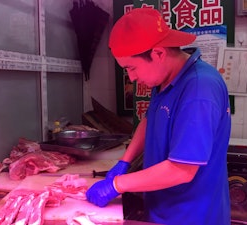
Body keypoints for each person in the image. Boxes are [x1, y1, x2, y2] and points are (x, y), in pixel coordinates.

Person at [86, 8, 231, 225]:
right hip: (162, 206)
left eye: (132, 68)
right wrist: (124, 161)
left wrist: (117, 185)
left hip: (191, 215)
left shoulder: (199, 88)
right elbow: (150, 119)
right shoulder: (164, 79)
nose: (132, 77)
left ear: (159, 53)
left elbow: (181, 170)